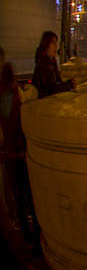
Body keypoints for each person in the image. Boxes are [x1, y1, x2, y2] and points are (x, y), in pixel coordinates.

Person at [1, 62, 36, 246]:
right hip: (20, 151)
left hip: (9, 153)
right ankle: (33, 232)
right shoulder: (18, 95)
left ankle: (23, 228)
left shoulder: (5, 96)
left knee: (15, 192)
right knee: (27, 191)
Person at [32, 31, 74, 99]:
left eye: (56, 43)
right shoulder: (43, 64)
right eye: (53, 43)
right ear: (46, 44)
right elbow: (50, 89)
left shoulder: (52, 62)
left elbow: (57, 83)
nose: (56, 46)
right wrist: (68, 85)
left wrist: (68, 84)